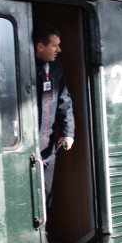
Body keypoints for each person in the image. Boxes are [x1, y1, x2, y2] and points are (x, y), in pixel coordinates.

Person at [33, 24, 75, 209]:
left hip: (49, 146)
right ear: (40, 46)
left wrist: (68, 133)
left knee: (46, 193)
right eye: (54, 45)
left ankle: (45, 232)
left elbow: (64, 101)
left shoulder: (56, 67)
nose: (59, 50)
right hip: (30, 144)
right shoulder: (26, 66)